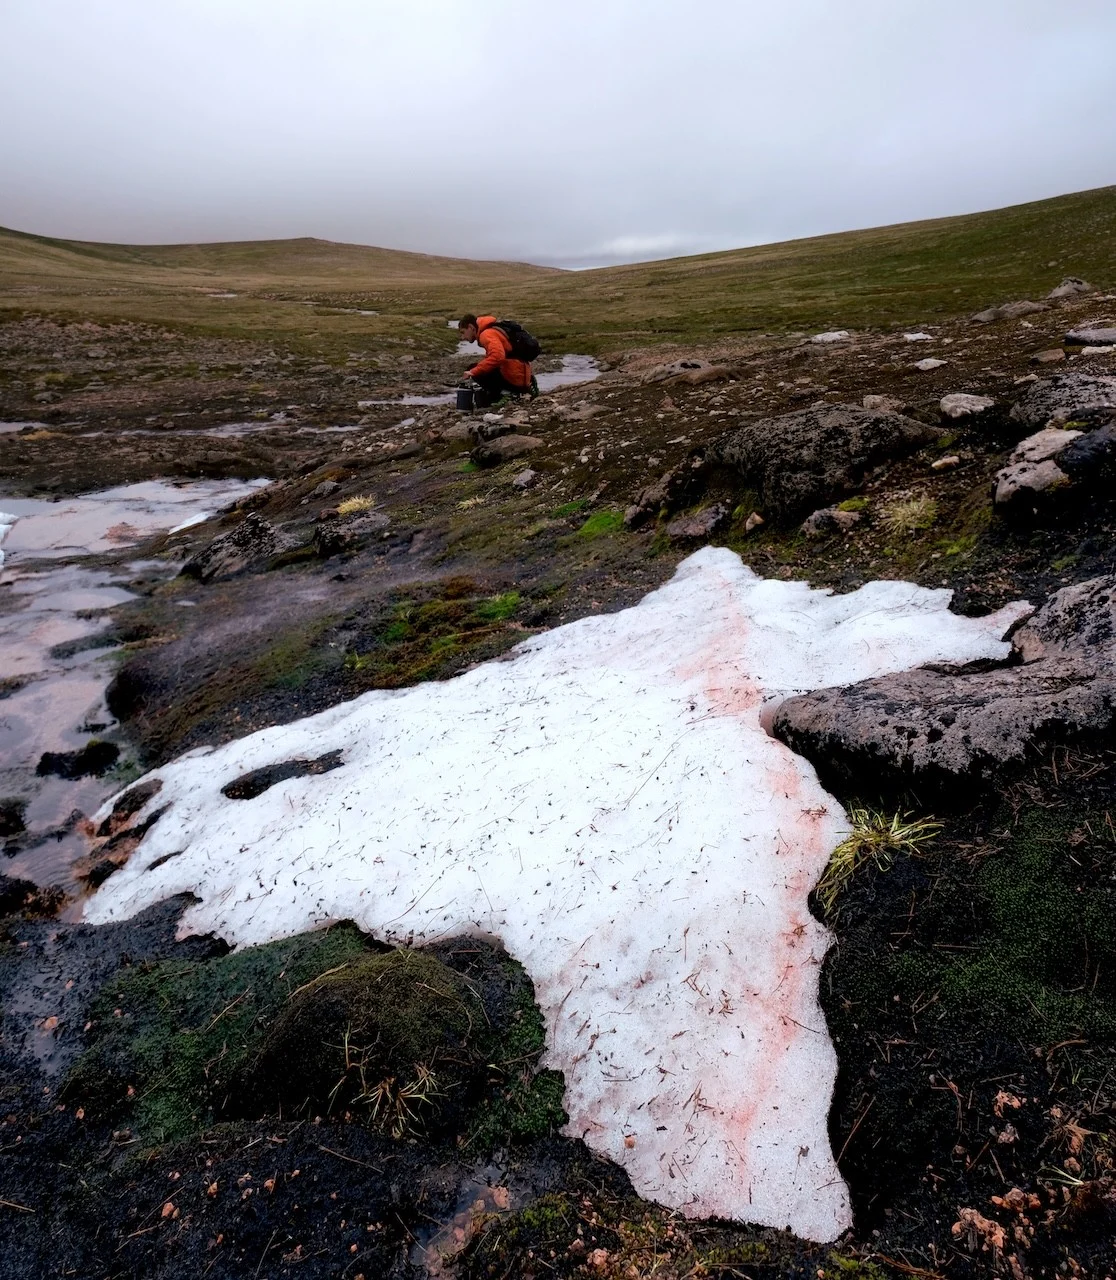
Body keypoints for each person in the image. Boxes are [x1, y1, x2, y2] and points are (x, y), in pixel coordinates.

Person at [459, 314, 539, 407]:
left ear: (471, 327)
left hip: (514, 378)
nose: (463, 337)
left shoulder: (486, 334)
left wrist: (473, 372)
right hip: (522, 375)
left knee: (475, 369)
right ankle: (526, 386)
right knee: (482, 366)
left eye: (463, 332)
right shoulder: (493, 329)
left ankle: (506, 393)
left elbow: (497, 357)